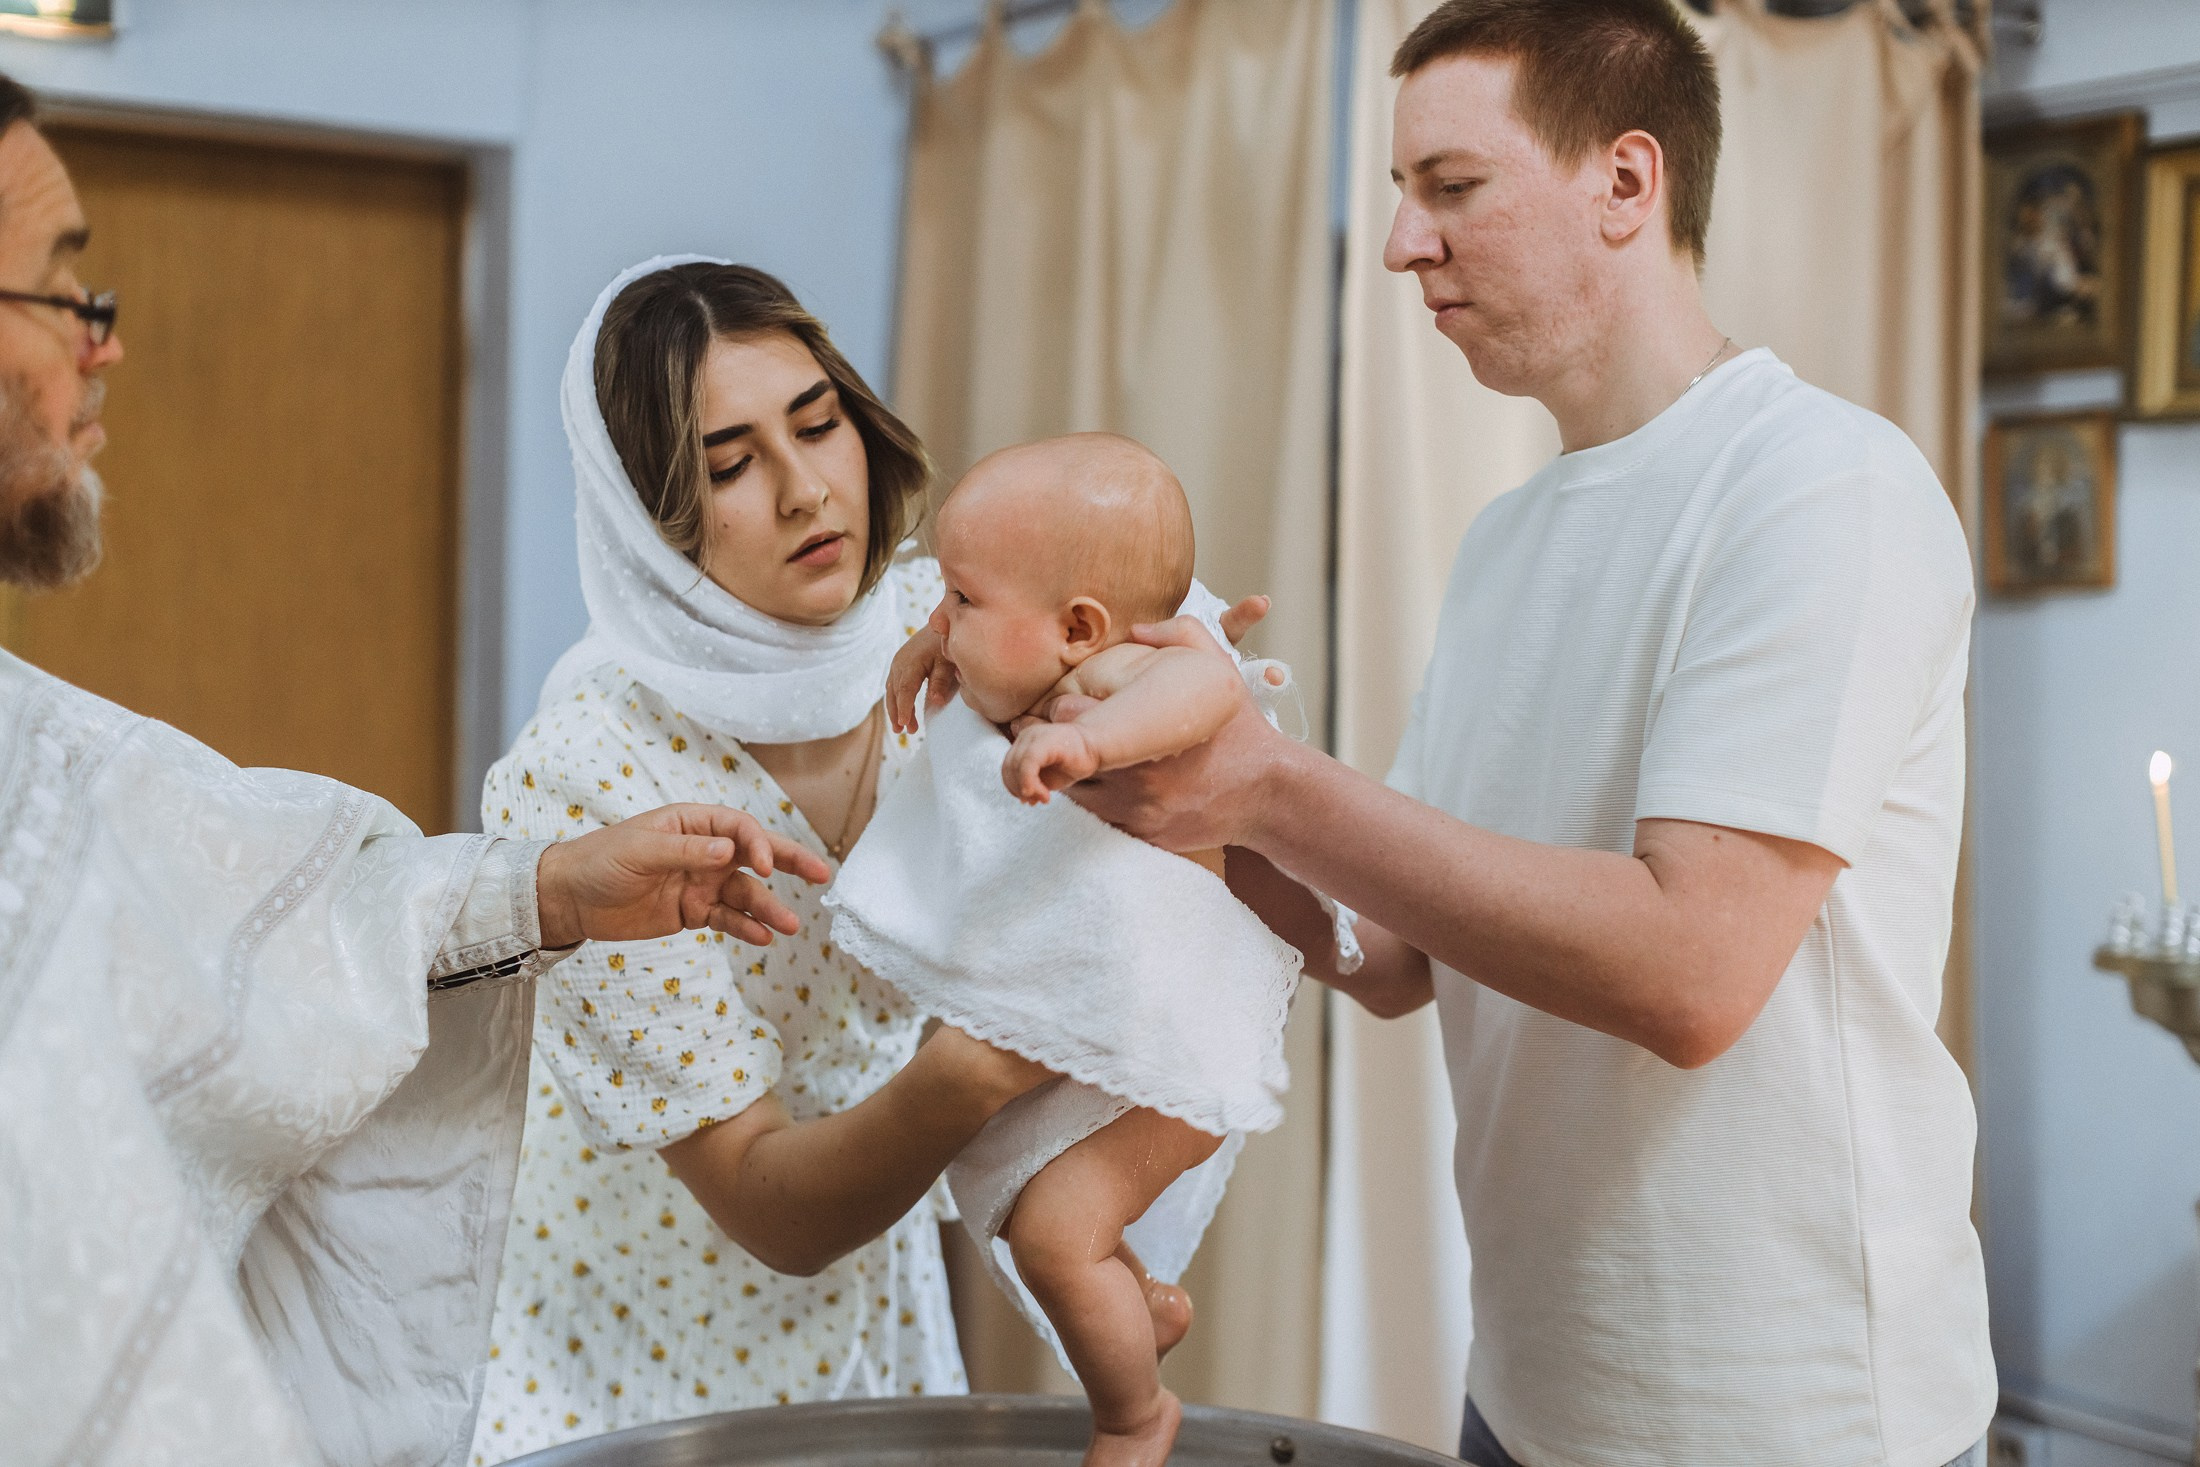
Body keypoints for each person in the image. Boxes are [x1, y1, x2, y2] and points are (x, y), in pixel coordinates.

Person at [1066, 4, 1992, 1465]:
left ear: (1629, 182)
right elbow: (1398, 955)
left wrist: (1271, 780)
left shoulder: (1824, 490)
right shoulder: (1507, 541)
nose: (1399, 246)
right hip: (1533, 1392)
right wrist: (1191, 797)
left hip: (1787, 1419)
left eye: (1450, 188)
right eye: (1401, 194)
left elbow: (1691, 973)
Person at [0, 80, 836, 1467]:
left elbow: (231, 910)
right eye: (61, 290)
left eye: (819, 426)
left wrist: (548, 895)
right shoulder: (586, 747)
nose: (109, 346)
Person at [473, 259, 1066, 1460]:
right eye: (732, 464)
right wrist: (980, 1066)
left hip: (878, 1315)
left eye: (818, 423)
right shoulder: (583, 776)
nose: (807, 491)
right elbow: (763, 1202)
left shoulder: (943, 636)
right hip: (628, 1355)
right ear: (648, 514)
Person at [834, 432, 1302, 1467]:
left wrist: (1092, 742)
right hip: (1110, 1022)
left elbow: (1208, 692)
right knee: (1027, 1205)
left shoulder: (1134, 671)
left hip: (1171, 1040)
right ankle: (1140, 1302)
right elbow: (973, 640)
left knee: (1053, 1233)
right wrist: (935, 644)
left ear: (1078, 627)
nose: (939, 621)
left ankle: (1134, 1416)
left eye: (959, 601)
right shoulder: (1040, 657)